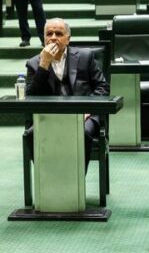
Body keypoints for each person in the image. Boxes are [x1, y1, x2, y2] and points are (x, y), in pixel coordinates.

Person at [24, 18, 109, 172]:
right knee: (31, 133)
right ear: (44, 38)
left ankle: (77, 178)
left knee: (82, 132)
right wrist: (44, 65)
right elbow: (30, 98)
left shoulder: (85, 57)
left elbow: (102, 87)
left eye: (58, 34)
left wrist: (88, 110)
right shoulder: (34, 63)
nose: (53, 38)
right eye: (49, 34)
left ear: (68, 39)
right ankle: (46, 176)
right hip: (49, 116)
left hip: (83, 115)